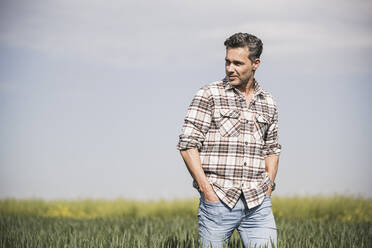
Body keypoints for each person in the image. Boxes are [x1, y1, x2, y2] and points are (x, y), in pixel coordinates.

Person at [176, 32, 282, 248]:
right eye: (227, 62)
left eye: (237, 63)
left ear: (255, 63)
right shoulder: (209, 94)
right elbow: (187, 145)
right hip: (218, 201)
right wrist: (207, 190)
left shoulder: (268, 102)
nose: (229, 68)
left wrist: (268, 185)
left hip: (258, 204)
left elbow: (271, 148)